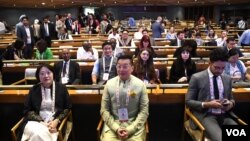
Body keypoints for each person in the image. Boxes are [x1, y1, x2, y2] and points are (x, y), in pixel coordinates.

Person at [186, 48, 237, 141]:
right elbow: (188, 101)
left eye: (223, 68)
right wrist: (207, 104)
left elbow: (232, 99)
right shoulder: (197, 77)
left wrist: (230, 104)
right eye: (217, 67)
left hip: (224, 115)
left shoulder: (227, 78)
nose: (220, 71)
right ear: (210, 62)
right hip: (206, 115)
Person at [100, 55, 149, 141]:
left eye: (125, 66)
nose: (121, 69)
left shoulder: (140, 85)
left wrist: (130, 129)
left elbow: (144, 111)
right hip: (113, 125)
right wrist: (116, 128)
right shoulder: (109, 84)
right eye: (119, 66)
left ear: (132, 68)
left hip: (134, 125)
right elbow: (104, 110)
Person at [21, 63, 72, 141]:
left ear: (53, 74)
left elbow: (67, 108)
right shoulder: (34, 89)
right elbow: (27, 110)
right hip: (36, 123)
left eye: (48, 73)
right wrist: (41, 122)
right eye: (42, 74)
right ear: (38, 76)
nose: (46, 76)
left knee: (37, 135)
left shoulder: (62, 88)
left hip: (55, 123)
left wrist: (57, 120)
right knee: (37, 133)